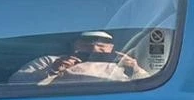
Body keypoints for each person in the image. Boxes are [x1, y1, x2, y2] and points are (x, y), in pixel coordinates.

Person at [9, 31, 149, 85]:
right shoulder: (49, 61)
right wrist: (52, 71)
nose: (94, 49)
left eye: (101, 46)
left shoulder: (121, 64)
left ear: (111, 48)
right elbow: (15, 84)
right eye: (86, 45)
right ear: (74, 45)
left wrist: (135, 69)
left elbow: (146, 86)